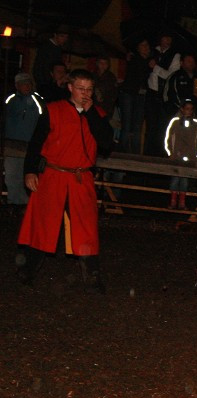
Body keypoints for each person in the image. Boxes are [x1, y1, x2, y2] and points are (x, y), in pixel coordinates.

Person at [15, 69, 113, 292]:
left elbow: (107, 142)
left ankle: (92, 277)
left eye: (89, 89)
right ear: (70, 87)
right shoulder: (53, 110)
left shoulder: (97, 113)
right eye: (81, 89)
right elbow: (36, 143)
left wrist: (90, 114)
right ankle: (27, 270)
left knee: (86, 228)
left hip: (81, 178)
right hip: (54, 175)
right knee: (44, 224)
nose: (85, 94)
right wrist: (30, 171)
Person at [3, 73, 43, 210]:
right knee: (11, 174)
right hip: (11, 143)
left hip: (30, 144)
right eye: (22, 83)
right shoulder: (10, 100)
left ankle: (29, 203)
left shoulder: (38, 100)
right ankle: (14, 202)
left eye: (28, 83)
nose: (26, 86)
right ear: (16, 85)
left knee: (28, 174)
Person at [164, 99, 197, 210]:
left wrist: (196, 155)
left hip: (189, 158)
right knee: (175, 179)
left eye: (191, 109)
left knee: (185, 181)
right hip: (176, 157)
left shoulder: (196, 124)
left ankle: (182, 202)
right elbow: (168, 138)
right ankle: (173, 201)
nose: (189, 111)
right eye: (187, 109)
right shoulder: (175, 122)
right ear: (182, 109)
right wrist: (170, 153)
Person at [145, 34, 181, 156]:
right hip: (150, 93)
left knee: (162, 127)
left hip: (164, 96)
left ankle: (159, 155)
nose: (167, 41)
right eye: (165, 38)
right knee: (150, 126)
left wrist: (155, 67)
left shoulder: (175, 55)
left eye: (169, 38)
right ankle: (148, 154)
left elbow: (170, 75)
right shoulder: (151, 51)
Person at [118, 39, 153, 154]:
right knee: (127, 124)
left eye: (146, 45)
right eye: (142, 45)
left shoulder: (150, 61)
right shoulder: (134, 59)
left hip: (141, 96)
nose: (145, 47)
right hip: (129, 93)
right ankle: (122, 152)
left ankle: (135, 153)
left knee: (137, 126)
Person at [163, 53, 197, 119]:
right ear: (181, 63)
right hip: (178, 114)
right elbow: (168, 96)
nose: (191, 63)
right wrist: (180, 108)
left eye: (193, 61)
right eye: (188, 61)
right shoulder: (175, 77)